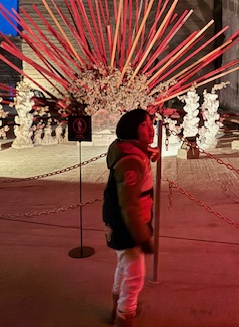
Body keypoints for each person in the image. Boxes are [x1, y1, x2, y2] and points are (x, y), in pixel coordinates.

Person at [103, 109, 158, 327]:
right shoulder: (132, 161)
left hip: (121, 223)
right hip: (129, 226)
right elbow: (129, 204)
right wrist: (142, 237)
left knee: (123, 266)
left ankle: (116, 308)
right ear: (132, 129)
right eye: (144, 125)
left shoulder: (128, 149)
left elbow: (135, 154)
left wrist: (148, 152)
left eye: (151, 123)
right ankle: (124, 316)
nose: (151, 129)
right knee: (135, 277)